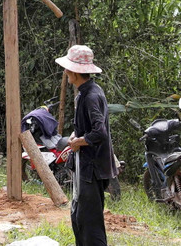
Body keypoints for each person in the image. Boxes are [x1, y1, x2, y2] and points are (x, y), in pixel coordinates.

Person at [57, 44, 117, 246]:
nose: (65, 72)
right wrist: (77, 135)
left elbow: (100, 132)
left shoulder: (90, 95)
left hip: (92, 169)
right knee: (79, 218)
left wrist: (79, 142)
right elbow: (90, 126)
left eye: (67, 69)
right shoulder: (86, 91)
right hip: (87, 167)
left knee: (90, 223)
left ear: (74, 71)